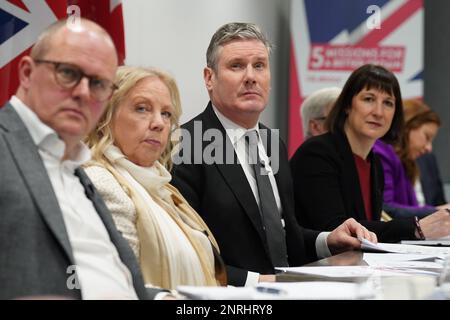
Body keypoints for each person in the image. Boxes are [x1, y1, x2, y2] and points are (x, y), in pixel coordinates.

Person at [171, 22, 377, 287]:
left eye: (259, 65)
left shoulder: (272, 142)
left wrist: (327, 240)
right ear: (209, 78)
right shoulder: (188, 144)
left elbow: (280, 235)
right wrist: (261, 282)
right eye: (236, 66)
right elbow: (187, 255)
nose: (251, 76)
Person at [0, 19, 154, 300]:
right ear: (26, 73)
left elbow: (106, 274)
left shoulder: (78, 169)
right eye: (68, 73)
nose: (83, 92)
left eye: (98, 83)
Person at [84, 66, 226, 290]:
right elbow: (122, 283)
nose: (159, 123)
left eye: (166, 114)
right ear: (106, 115)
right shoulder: (100, 182)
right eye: (142, 108)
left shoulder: (163, 187)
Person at [290, 64, 450, 243]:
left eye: (388, 103)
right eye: (368, 99)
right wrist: (416, 227)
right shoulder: (317, 153)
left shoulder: (374, 163)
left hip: (357, 267)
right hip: (314, 267)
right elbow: (337, 230)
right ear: (347, 106)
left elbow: (369, 232)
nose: (378, 112)